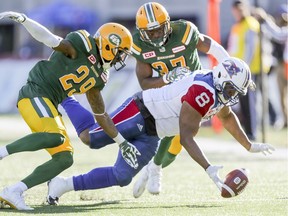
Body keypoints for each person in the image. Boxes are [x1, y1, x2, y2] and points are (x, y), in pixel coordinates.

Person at [46, 57, 274, 205]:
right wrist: (208, 168)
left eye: (236, 92)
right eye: (231, 89)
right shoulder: (203, 90)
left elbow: (227, 116)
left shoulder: (216, 88)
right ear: (222, 79)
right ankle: (64, 96)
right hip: (140, 111)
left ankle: (63, 184)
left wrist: (249, 145)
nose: (232, 96)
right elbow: (186, 137)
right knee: (90, 138)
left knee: (122, 176)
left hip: (153, 131)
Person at [0, 11, 135, 210]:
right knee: (55, 137)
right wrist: (25, 20)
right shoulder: (82, 44)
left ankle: (14, 190)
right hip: (36, 92)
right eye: (120, 52)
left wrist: (122, 143)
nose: (121, 58)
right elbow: (50, 39)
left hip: (50, 102)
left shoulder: (100, 75)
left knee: (65, 157)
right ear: (108, 46)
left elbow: (101, 114)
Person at [130, 1, 230, 197]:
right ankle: (154, 168)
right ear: (142, 33)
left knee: (173, 151)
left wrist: (229, 63)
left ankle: (153, 167)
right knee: (174, 127)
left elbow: (211, 46)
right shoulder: (139, 44)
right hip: (169, 92)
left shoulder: (184, 31)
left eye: (159, 30)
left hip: (196, 87)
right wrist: (167, 77)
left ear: (168, 24)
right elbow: (144, 82)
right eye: (150, 33)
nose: (156, 35)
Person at [227, 0, 270, 141]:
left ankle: (252, 132)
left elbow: (251, 49)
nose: (238, 13)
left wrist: (245, 68)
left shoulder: (250, 24)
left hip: (250, 69)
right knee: (244, 102)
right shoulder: (237, 26)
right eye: (235, 11)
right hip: (238, 70)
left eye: (240, 10)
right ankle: (247, 132)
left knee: (250, 101)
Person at [253, 6, 288, 128]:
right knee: (281, 96)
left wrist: (265, 19)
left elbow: (279, 35)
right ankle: (285, 121)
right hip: (282, 64)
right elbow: (277, 34)